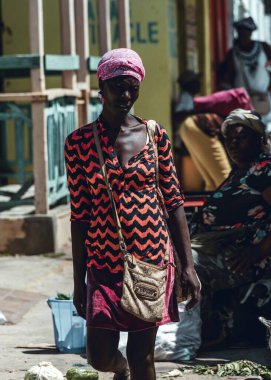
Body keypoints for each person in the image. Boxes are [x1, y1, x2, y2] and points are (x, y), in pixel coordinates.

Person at [64, 48, 201, 380]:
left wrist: (187, 265)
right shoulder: (79, 143)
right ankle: (119, 369)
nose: (126, 95)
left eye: (132, 87)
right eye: (118, 87)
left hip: (150, 262)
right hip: (103, 264)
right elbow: (79, 215)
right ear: (102, 86)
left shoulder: (155, 137)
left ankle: (132, 368)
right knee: (99, 356)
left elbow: (173, 202)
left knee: (143, 356)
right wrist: (78, 280)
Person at [190, 108, 271, 348]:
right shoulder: (239, 173)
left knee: (187, 265)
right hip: (218, 249)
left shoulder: (264, 171)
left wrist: (258, 252)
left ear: (259, 140)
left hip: (245, 258)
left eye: (242, 137)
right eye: (230, 139)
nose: (234, 144)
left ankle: (209, 333)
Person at [218, 16, 271, 126]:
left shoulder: (264, 48)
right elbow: (225, 77)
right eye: (241, 32)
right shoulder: (232, 54)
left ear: (251, 33)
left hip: (264, 98)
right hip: (243, 101)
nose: (243, 35)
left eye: (246, 32)